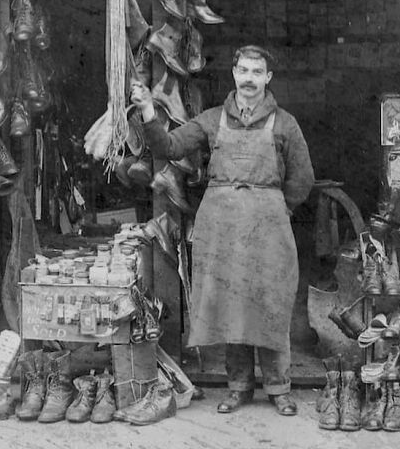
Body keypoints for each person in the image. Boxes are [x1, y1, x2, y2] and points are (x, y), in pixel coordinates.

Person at [130, 45, 315, 416]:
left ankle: (278, 388)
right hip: (223, 229)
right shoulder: (212, 120)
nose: (248, 79)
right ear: (234, 74)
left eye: (256, 72)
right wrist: (149, 109)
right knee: (233, 306)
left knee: (271, 303)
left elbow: (302, 179)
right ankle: (239, 387)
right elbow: (169, 146)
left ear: (268, 78)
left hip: (268, 227)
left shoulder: (285, 124)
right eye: (242, 70)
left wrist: (277, 208)